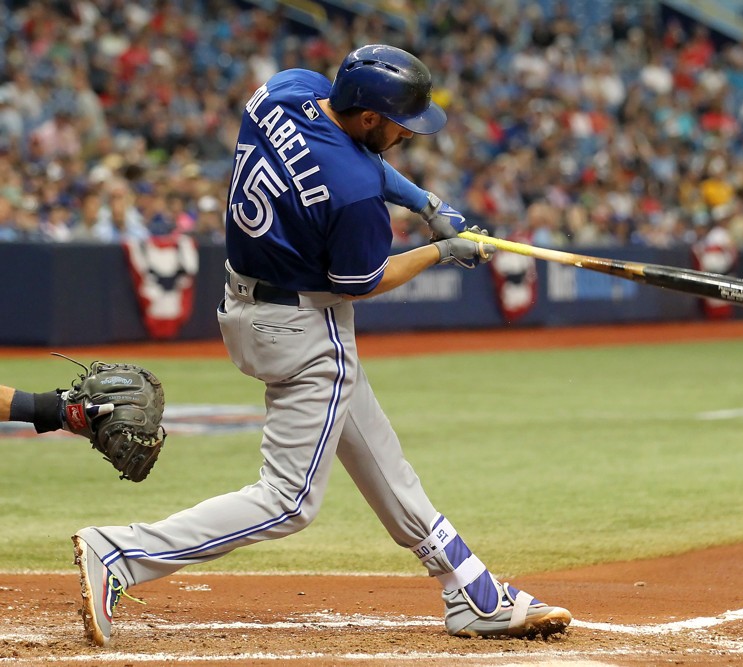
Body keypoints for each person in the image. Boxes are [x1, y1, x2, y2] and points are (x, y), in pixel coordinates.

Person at [69, 44, 572, 648]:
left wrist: (426, 204)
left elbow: (351, 162)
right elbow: (360, 282)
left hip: (246, 303)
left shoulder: (288, 89)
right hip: (306, 329)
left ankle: (468, 588)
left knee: (380, 456)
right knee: (288, 502)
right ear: (368, 118)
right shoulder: (356, 192)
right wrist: (441, 251)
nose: (406, 137)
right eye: (398, 127)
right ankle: (120, 553)